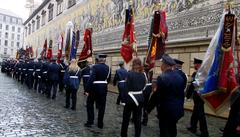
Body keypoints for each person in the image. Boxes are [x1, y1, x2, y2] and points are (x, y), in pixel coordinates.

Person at [147, 54, 185, 137]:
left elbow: (156, 96)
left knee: (165, 132)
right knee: (173, 130)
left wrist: (148, 109)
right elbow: (182, 94)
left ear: (165, 65)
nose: (161, 66)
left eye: (162, 64)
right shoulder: (180, 77)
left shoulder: (162, 77)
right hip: (177, 110)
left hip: (166, 111)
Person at [120, 58, 146, 137]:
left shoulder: (129, 74)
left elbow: (126, 88)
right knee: (137, 120)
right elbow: (144, 87)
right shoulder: (143, 75)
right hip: (140, 99)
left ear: (133, 65)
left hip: (130, 99)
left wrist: (123, 100)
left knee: (126, 119)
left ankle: (123, 135)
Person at [84, 54, 111, 129]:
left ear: (98, 60)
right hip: (104, 88)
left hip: (94, 88)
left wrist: (87, 89)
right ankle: (100, 123)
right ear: (104, 60)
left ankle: (90, 121)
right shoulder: (108, 68)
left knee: (90, 104)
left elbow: (91, 78)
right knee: (102, 106)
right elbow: (108, 79)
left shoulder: (95, 67)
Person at [186, 58, 209, 137]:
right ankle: (193, 127)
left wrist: (187, 95)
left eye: (194, 64)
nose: (193, 65)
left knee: (200, 114)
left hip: (199, 96)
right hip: (199, 96)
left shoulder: (199, 74)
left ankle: (204, 132)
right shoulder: (203, 73)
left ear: (198, 64)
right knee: (196, 112)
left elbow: (192, 86)